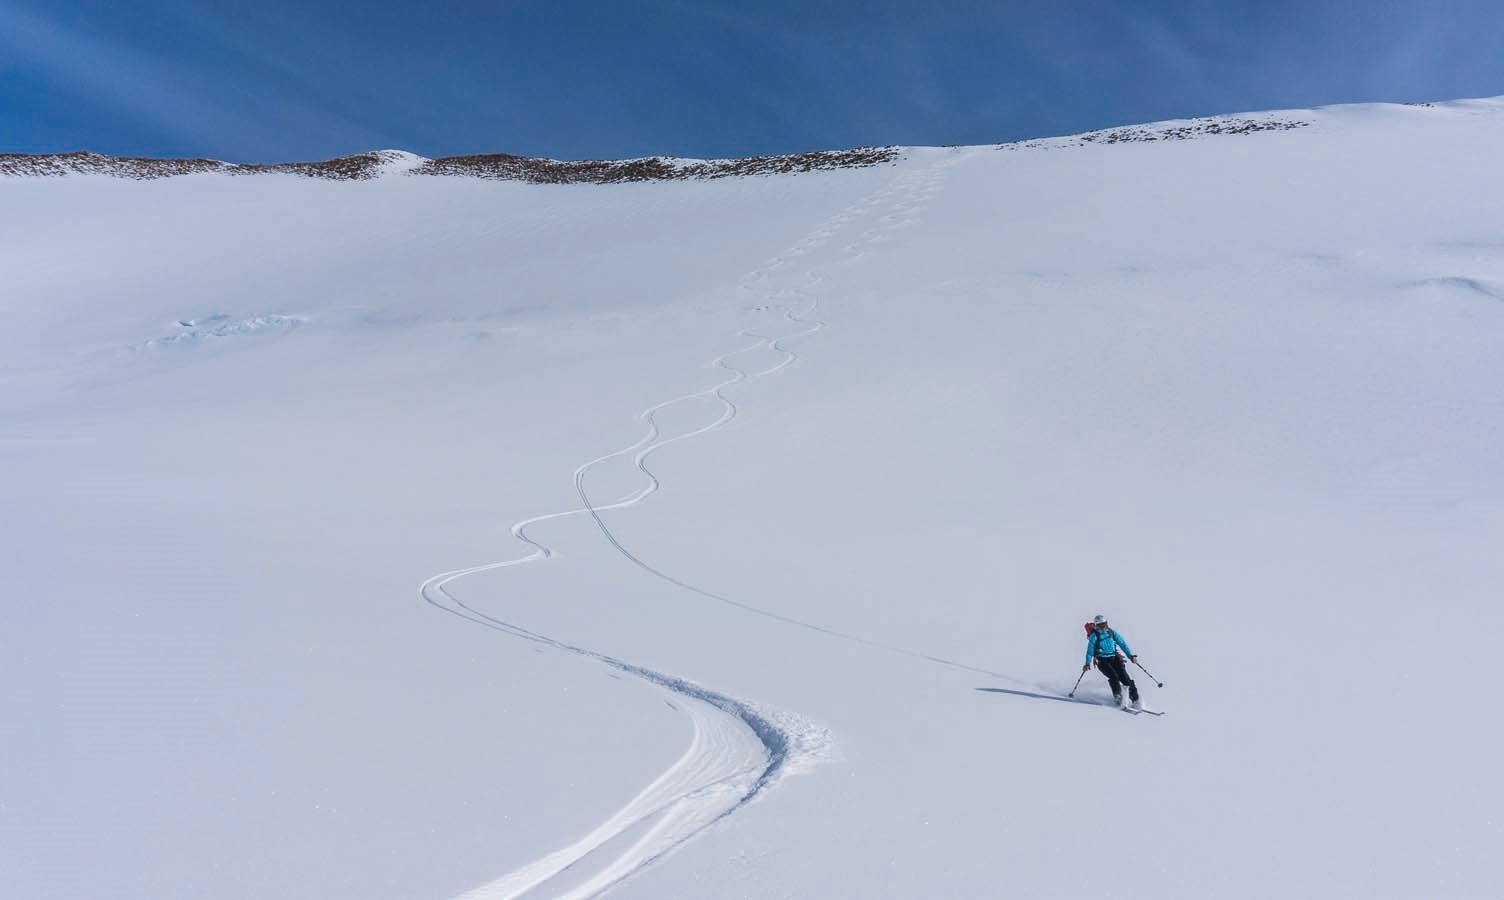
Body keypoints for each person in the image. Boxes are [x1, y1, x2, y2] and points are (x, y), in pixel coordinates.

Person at [1082, 614, 1140, 709]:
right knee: (1114, 677)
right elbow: (1089, 651)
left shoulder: (1111, 632)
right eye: (1101, 625)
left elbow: (1122, 643)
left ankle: (1136, 700)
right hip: (1102, 660)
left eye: (1105, 623)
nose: (1103, 626)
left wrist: (1130, 656)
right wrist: (1087, 663)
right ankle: (1118, 698)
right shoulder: (1094, 636)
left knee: (1125, 679)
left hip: (1114, 658)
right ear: (1096, 625)